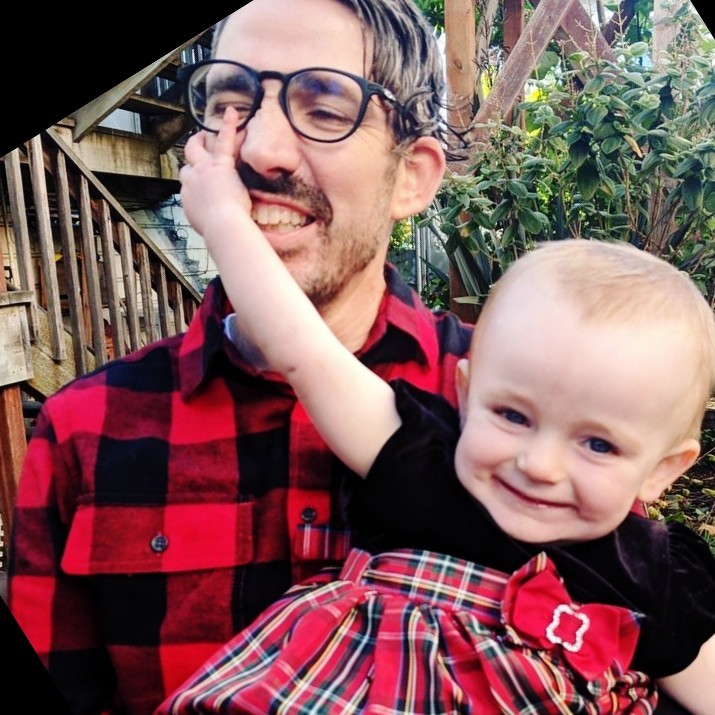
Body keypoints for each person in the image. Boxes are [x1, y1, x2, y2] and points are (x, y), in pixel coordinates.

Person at [155, 108, 715, 715]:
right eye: (513, 416)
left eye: (598, 445)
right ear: (466, 396)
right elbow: (302, 351)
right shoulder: (423, 466)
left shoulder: (654, 577)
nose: (540, 465)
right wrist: (223, 219)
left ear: (663, 469)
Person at [7, 2, 473, 714]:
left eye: (324, 109)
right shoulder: (83, 430)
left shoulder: (513, 411)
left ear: (411, 175)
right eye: (230, 103)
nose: (259, 150)